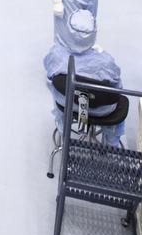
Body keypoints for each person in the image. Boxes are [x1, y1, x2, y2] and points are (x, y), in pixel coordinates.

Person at [42, 10, 124, 146]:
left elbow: (50, 77)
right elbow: (117, 88)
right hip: (102, 111)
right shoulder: (106, 61)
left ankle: (64, 134)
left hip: (68, 105)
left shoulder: (57, 56)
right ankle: (111, 143)